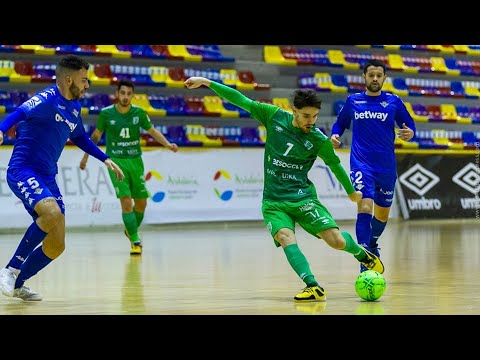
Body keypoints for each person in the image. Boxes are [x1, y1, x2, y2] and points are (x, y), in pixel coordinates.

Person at [184, 76, 384, 302]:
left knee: (336, 241)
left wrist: (350, 192)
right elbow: (240, 99)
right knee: (285, 236)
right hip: (273, 201)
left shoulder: (318, 139)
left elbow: (335, 165)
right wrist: (207, 83)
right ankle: (312, 285)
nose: (311, 121)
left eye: (315, 116)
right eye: (306, 116)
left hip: (302, 197)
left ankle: (361, 254)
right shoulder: (274, 116)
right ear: (294, 111)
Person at [0, 55, 124, 301]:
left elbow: (79, 137)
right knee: (52, 213)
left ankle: (18, 284)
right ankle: (10, 270)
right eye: (84, 80)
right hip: (23, 169)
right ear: (69, 80)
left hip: (48, 175)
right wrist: (1, 130)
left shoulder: (74, 107)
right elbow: (19, 113)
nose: (87, 85)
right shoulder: (46, 98)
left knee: (57, 244)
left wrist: (105, 158)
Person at [330, 59, 416, 272]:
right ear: (364, 77)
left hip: (386, 166)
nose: (375, 79)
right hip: (361, 163)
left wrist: (410, 133)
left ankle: (372, 243)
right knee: (365, 206)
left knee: (382, 215)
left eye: (379, 75)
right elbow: (340, 123)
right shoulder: (353, 101)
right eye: (371, 75)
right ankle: (365, 258)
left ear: (384, 78)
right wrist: (334, 134)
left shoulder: (394, 101)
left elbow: (410, 124)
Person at [80, 79, 178, 255]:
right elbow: (95, 136)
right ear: (117, 94)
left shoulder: (139, 113)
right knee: (126, 201)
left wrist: (167, 144)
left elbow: (152, 131)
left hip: (135, 161)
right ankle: (135, 241)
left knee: (141, 204)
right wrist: (85, 157)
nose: (125, 97)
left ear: (132, 96)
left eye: (129, 94)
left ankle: (130, 229)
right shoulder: (106, 114)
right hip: (116, 161)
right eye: (122, 93)